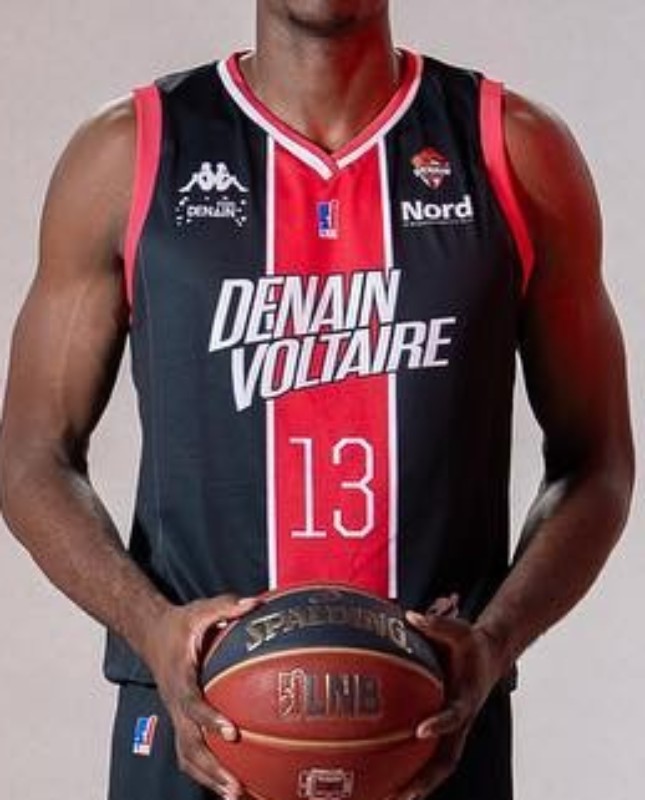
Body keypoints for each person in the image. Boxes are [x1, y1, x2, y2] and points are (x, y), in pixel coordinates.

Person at [0, 2, 634, 800]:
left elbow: (595, 462)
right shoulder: (130, 154)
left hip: (432, 725)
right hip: (194, 724)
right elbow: (31, 457)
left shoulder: (511, 149)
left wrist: (494, 640)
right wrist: (150, 628)